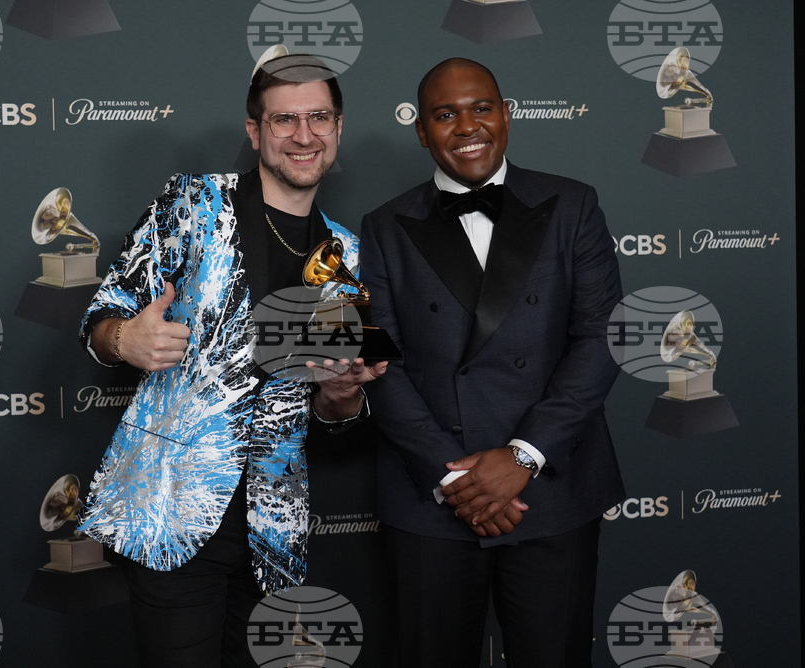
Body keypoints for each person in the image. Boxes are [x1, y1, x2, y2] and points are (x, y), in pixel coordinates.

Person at [77, 53, 386, 668]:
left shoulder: (346, 254)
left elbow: (331, 412)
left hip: (273, 530)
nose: (303, 135)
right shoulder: (194, 204)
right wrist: (124, 339)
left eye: (319, 117)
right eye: (284, 119)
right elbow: (101, 317)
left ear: (338, 128)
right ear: (255, 131)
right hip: (171, 514)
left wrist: (343, 394)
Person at [360, 57, 625, 667]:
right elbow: (379, 363)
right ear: (421, 131)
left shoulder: (573, 205)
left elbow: (602, 337)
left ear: (506, 115)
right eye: (445, 114)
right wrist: (456, 480)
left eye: (481, 108)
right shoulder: (383, 227)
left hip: (551, 487)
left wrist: (524, 455)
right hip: (433, 497)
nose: (467, 126)